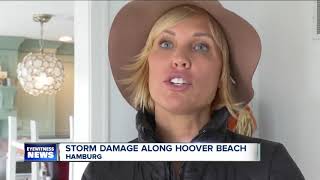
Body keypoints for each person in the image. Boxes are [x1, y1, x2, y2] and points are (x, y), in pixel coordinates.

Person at [82, 1, 305, 179]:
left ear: (221, 74)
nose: (180, 58)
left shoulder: (269, 164)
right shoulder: (102, 171)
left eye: (201, 46)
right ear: (146, 67)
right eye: (166, 44)